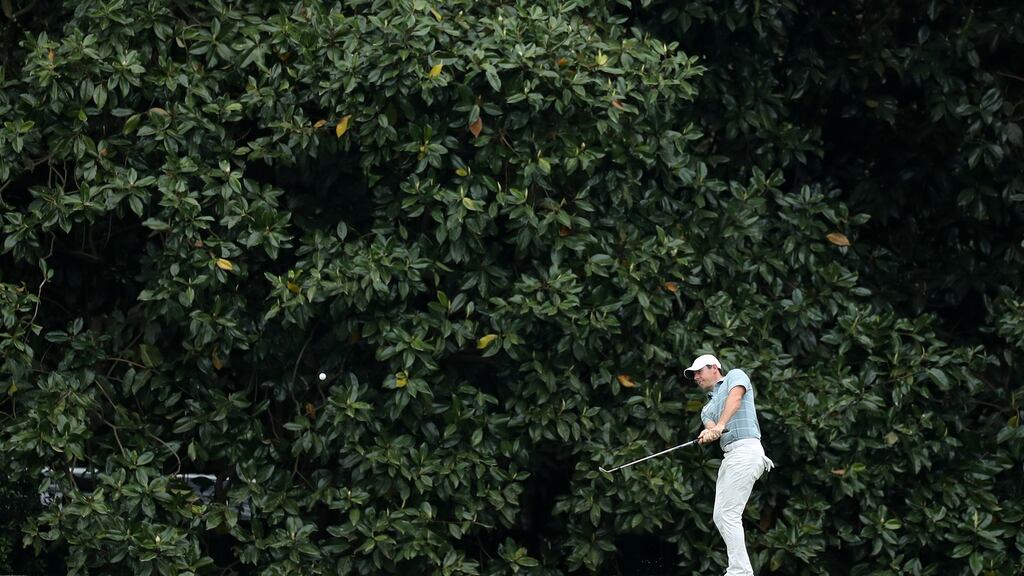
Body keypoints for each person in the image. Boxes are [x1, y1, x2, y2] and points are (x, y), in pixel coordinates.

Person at [684, 353, 774, 576]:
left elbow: (735, 400)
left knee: (728, 514)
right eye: (693, 374)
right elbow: (711, 425)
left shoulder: (736, 375)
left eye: (699, 371)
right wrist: (709, 432)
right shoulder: (706, 408)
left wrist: (720, 425)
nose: (696, 377)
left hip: (747, 450)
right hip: (731, 456)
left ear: (714, 368)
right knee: (720, 515)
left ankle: (740, 573)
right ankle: (740, 571)